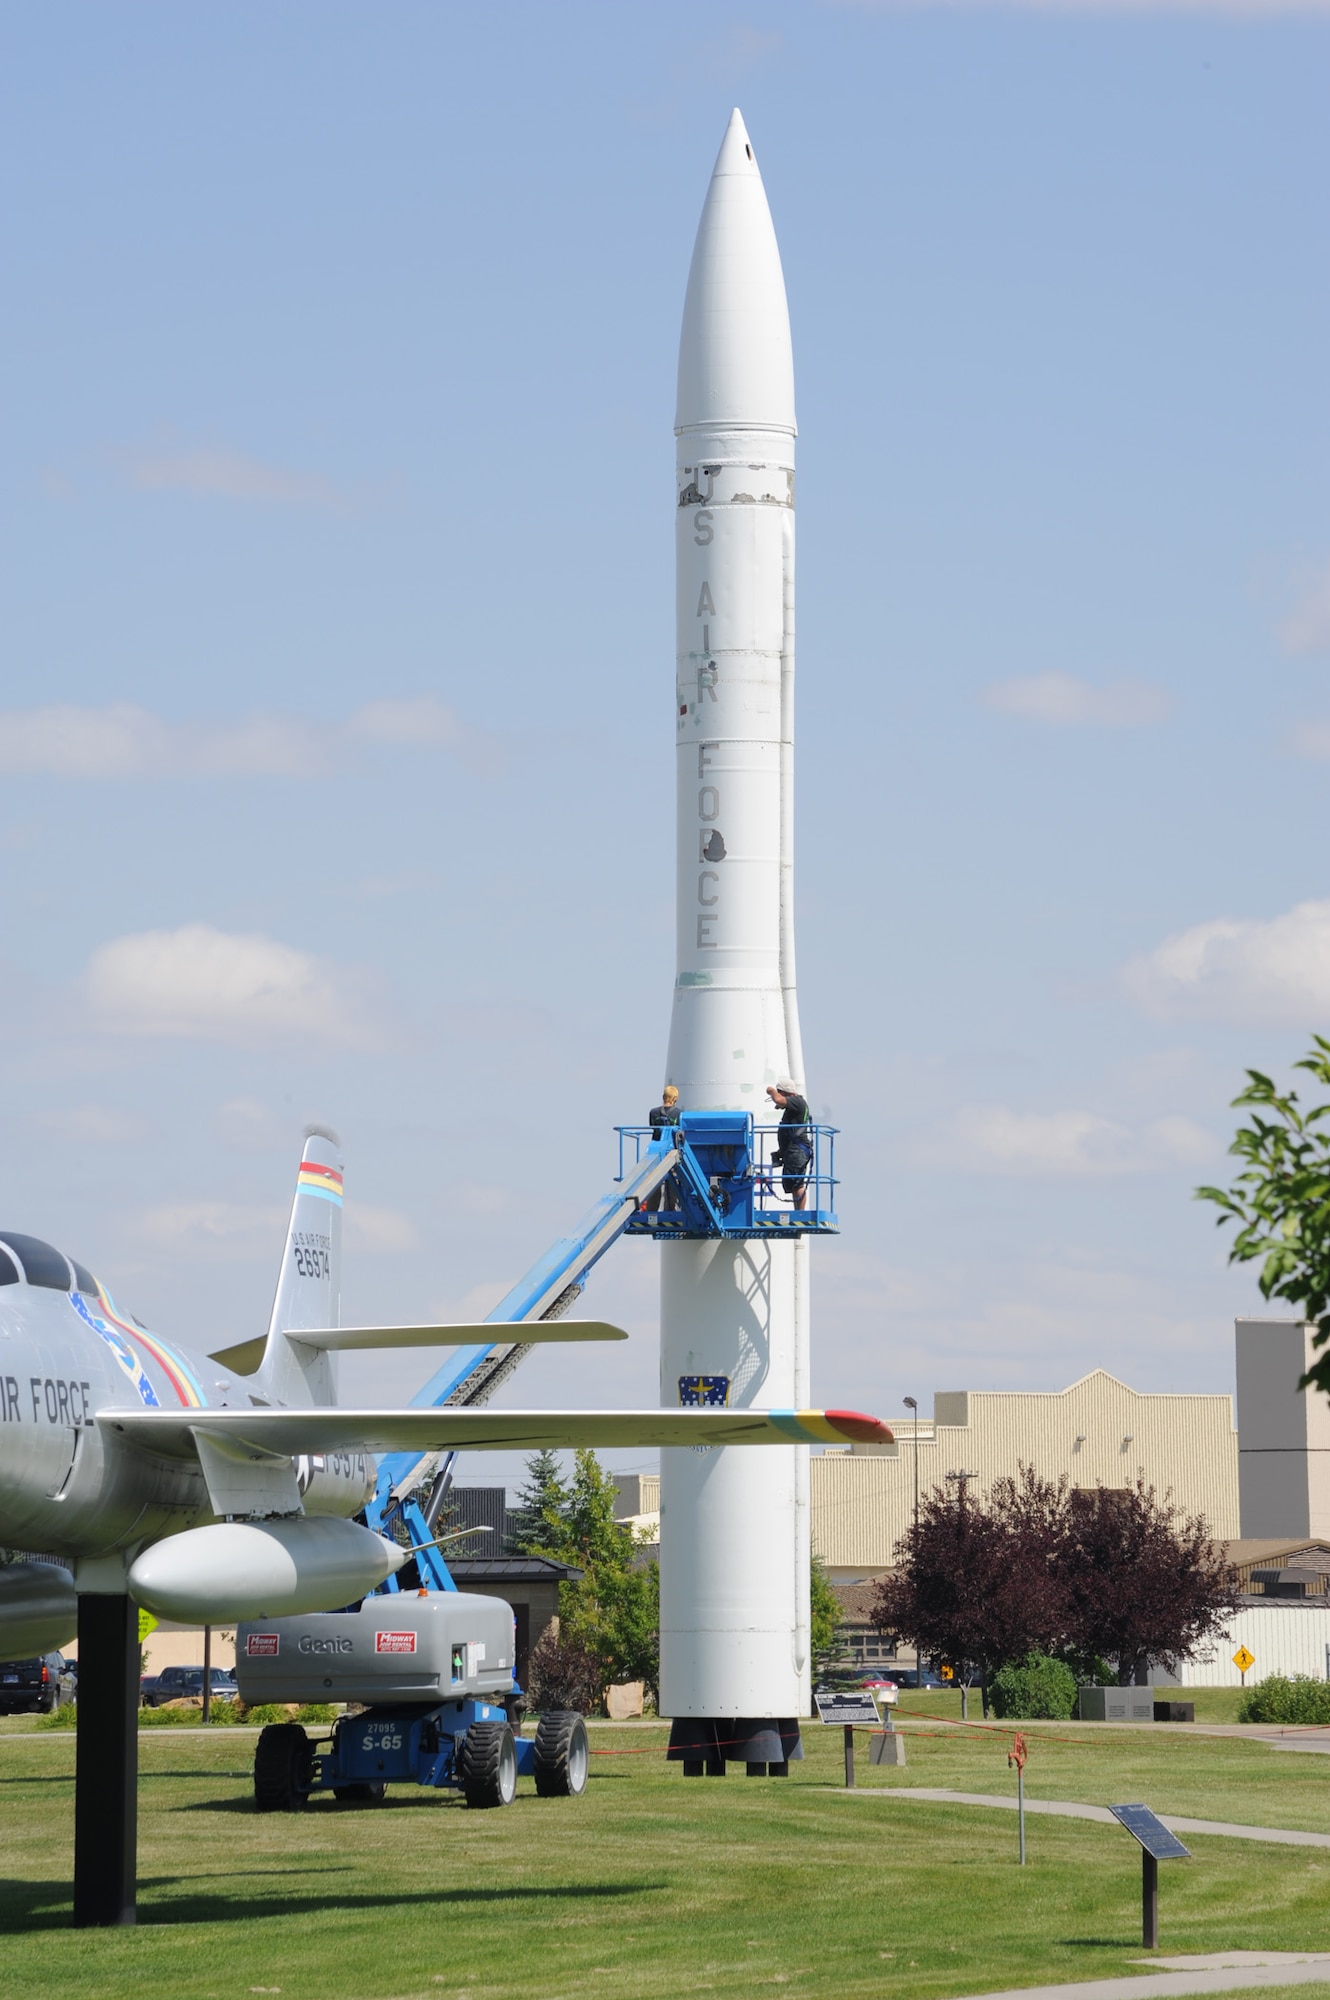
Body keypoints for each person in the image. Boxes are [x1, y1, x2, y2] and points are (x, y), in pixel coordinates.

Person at [767, 1079, 812, 1210]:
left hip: (797, 1150)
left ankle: (800, 1213)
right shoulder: (795, 1105)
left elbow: (779, 1100)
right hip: (793, 1150)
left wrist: (771, 1091)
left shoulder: (797, 1101)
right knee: (792, 1182)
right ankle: (798, 1211)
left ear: (784, 1093)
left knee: (797, 1182)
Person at [643, 1085, 680, 1212]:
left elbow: (653, 1127)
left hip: (655, 1152)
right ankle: (670, 1211)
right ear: (675, 1098)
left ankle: (651, 1210)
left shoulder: (653, 1112)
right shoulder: (678, 1113)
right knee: (673, 1184)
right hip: (671, 1153)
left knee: (654, 1183)